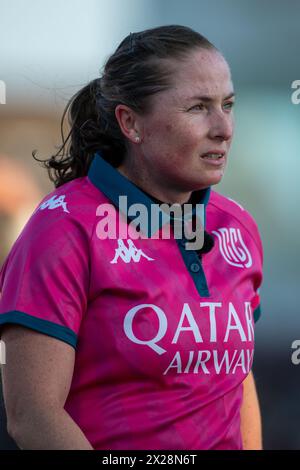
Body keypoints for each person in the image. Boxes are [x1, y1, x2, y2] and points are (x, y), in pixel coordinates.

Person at [0, 25, 263, 450]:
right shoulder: (62, 229)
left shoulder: (237, 225)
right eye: (198, 107)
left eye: (227, 105)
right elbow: (32, 417)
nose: (223, 128)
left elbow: (236, 381)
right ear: (130, 122)